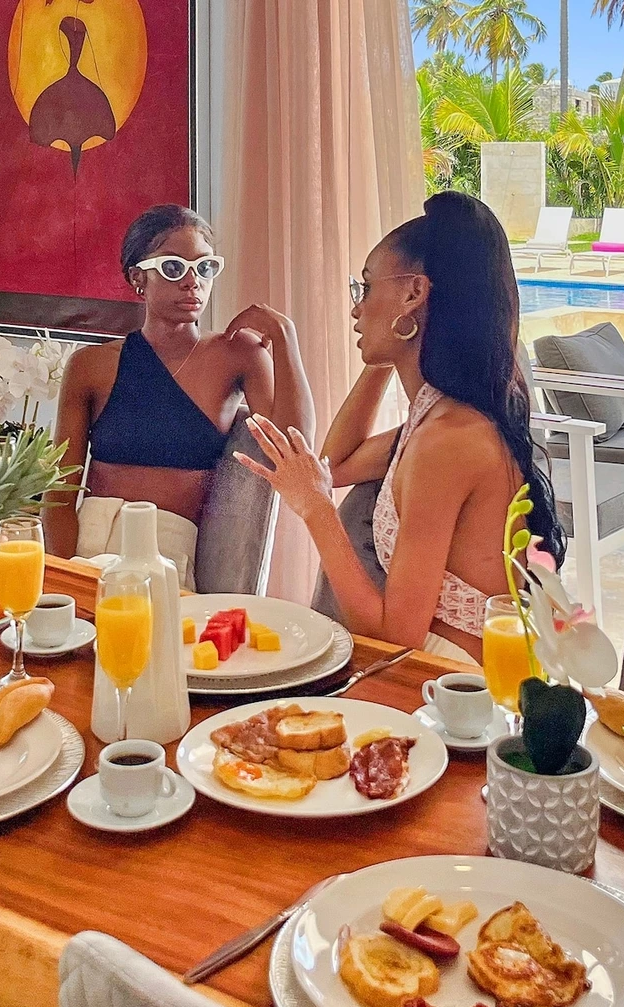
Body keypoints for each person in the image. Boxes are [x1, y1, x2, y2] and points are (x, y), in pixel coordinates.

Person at [237, 192, 565, 663]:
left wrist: (314, 507)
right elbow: (337, 464)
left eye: (366, 287)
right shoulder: (436, 415)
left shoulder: (449, 440)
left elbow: (398, 634)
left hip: (455, 680)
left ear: (413, 293)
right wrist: (388, 349)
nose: (356, 309)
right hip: (435, 662)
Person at [43, 205, 313, 589]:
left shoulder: (239, 354)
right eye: (173, 268)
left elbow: (293, 449)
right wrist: (63, 579)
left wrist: (284, 337)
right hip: (89, 547)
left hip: (169, 558)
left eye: (205, 268)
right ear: (138, 277)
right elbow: (60, 492)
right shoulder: (90, 365)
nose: (192, 282)